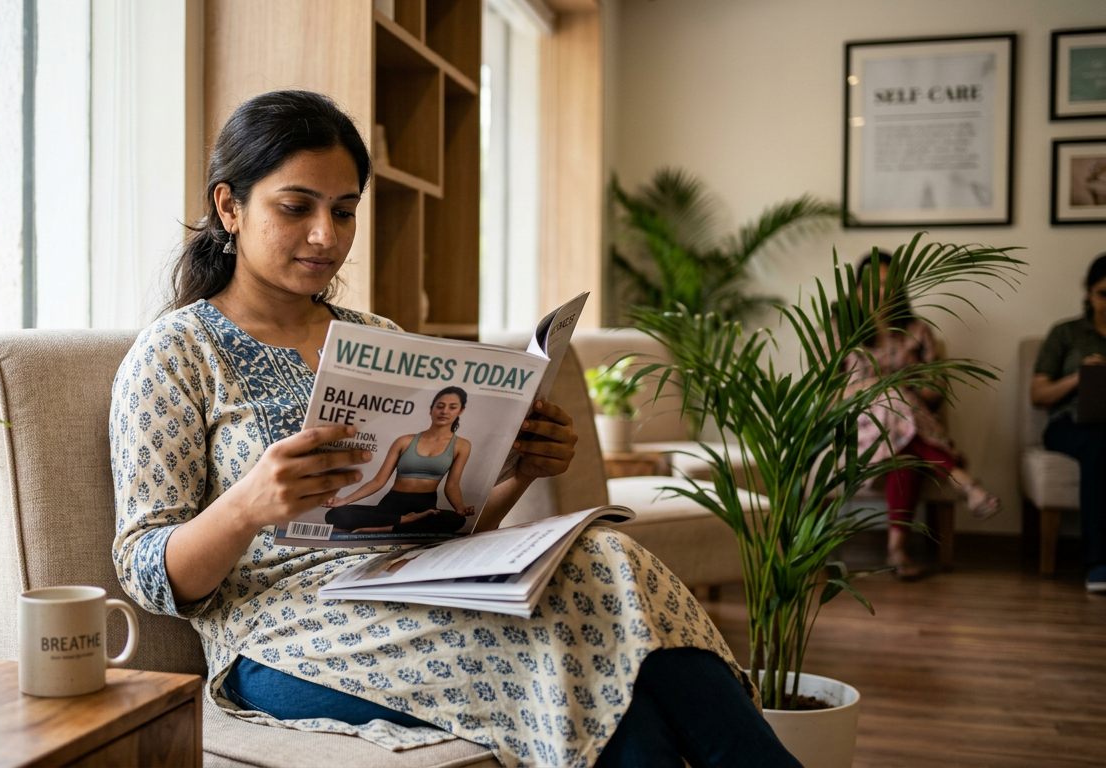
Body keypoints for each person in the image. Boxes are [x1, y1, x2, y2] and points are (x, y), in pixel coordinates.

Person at [110, 89, 800, 768]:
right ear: (229, 207)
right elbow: (146, 569)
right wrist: (247, 505)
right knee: (602, 678)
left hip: (413, 589)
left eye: (344, 211)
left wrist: (520, 469)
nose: (327, 235)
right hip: (282, 638)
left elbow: (444, 530)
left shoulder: (377, 338)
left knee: (606, 557)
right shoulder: (176, 353)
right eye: (296, 208)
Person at [842, 251, 1000, 580]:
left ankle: (896, 550)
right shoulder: (839, 332)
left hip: (913, 419)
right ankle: (964, 482)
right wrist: (877, 387)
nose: (881, 291)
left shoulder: (918, 331)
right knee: (889, 396)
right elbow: (828, 394)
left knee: (903, 441)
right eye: (873, 284)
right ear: (856, 290)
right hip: (859, 425)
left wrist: (906, 391)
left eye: (888, 284)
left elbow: (936, 390)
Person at [1031, 253, 1106, 594]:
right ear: (1088, 292)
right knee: (1099, 446)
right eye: (1103, 294)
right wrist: (1081, 377)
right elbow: (1038, 394)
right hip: (1070, 424)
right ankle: (1098, 560)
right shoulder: (1066, 333)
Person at [322, 386, 473, 535]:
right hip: (392, 504)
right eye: (440, 406)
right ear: (431, 410)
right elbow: (378, 481)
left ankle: (386, 528)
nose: (444, 411)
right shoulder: (404, 441)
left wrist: (460, 507)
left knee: (456, 520)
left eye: (452, 407)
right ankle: (403, 521)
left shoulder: (462, 445)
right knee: (335, 515)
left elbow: (452, 485)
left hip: (425, 508)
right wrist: (344, 500)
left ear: (460, 411)